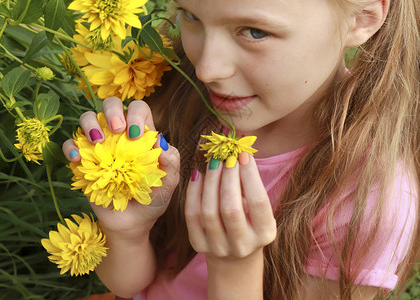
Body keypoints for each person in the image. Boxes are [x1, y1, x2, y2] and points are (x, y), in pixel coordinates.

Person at [62, 0, 419, 299]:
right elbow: (131, 285)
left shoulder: (372, 198)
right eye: (192, 16)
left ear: (363, 17)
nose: (205, 69)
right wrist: (128, 231)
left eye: (255, 31)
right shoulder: (190, 96)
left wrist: (235, 267)